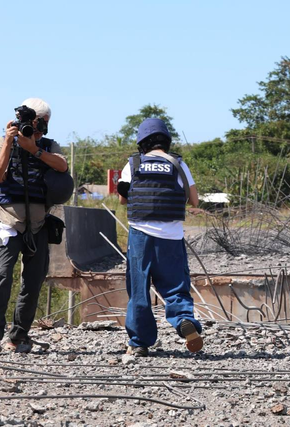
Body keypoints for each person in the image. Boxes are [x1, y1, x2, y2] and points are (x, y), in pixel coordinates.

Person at [0, 98, 68, 355]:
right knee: (2, 276)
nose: (40, 128)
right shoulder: (2, 142)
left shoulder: (48, 146)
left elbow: (63, 166)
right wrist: (11, 143)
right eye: (37, 123)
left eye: (45, 124)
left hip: (38, 225)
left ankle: (18, 336)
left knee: (33, 281)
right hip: (9, 222)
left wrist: (34, 149)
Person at [117, 118, 203, 357]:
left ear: (142, 142)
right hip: (171, 237)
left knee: (139, 289)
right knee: (176, 285)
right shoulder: (178, 164)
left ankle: (139, 342)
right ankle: (184, 320)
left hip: (140, 236)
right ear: (166, 140)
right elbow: (194, 200)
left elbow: (123, 200)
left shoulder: (133, 164)